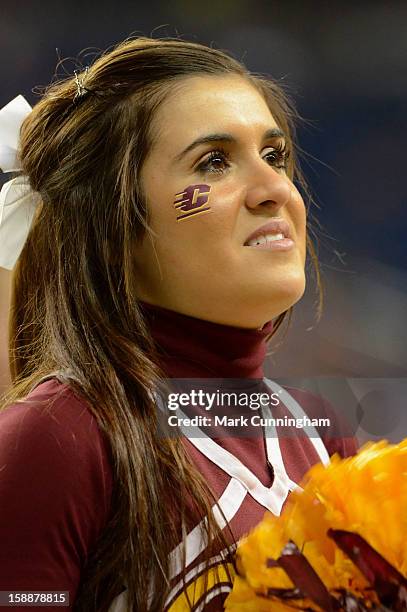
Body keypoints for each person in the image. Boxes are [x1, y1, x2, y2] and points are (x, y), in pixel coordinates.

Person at [0, 37, 357, 611]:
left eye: (274, 155)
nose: (275, 191)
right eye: (213, 162)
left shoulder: (317, 433)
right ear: (116, 225)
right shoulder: (57, 440)